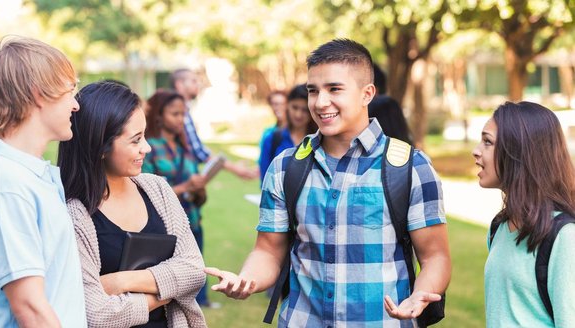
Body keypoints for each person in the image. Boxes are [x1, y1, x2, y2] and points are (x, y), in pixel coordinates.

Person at [205, 38, 451, 327]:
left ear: (366, 93)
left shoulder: (411, 167)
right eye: (313, 91)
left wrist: (422, 293)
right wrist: (247, 279)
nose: (321, 103)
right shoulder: (286, 167)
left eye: (334, 89)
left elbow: (435, 257)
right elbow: (268, 250)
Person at [0, 36, 87, 327]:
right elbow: (30, 308)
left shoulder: (23, 175)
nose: (76, 105)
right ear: (39, 94)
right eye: (70, 90)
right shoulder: (6, 186)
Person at [58, 81, 206, 327]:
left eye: (144, 136)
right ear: (101, 146)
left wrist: (121, 282)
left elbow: (193, 270)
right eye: (135, 140)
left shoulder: (157, 189)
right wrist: (165, 291)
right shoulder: (73, 214)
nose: (146, 148)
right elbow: (97, 313)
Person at [472, 101, 575, 327]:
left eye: (487, 142)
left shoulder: (564, 236)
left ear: (519, 152)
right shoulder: (499, 227)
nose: (476, 151)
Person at [141, 88, 212, 309]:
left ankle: (201, 302)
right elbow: (145, 192)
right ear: (159, 115)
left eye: (183, 114)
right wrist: (184, 187)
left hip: (192, 219)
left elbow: (198, 197)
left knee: (196, 271)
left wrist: (199, 189)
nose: (181, 119)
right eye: (175, 113)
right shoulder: (148, 147)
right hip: (165, 228)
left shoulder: (185, 149)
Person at [170, 68, 259, 180]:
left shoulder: (184, 110)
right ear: (179, 84)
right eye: (193, 81)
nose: (198, 84)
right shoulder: (180, 113)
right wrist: (235, 169)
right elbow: (199, 152)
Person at [258, 84, 318, 182]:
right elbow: (265, 181)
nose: (298, 114)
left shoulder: (320, 141)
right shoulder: (272, 139)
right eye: (295, 107)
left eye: (305, 110)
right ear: (287, 105)